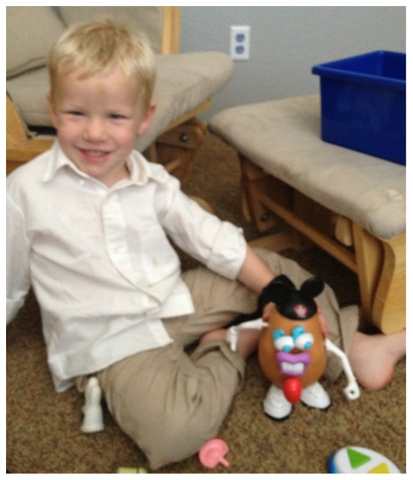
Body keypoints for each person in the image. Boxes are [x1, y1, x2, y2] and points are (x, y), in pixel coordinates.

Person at [6, 19, 405, 470]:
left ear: (144, 118)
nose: (95, 133)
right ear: (53, 109)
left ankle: (352, 346)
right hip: (111, 342)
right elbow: (7, 283)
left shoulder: (152, 180)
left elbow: (209, 236)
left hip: (174, 300)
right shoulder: (24, 192)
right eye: (77, 113)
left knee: (278, 271)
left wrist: (273, 291)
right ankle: (231, 344)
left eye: (115, 117)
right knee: (176, 431)